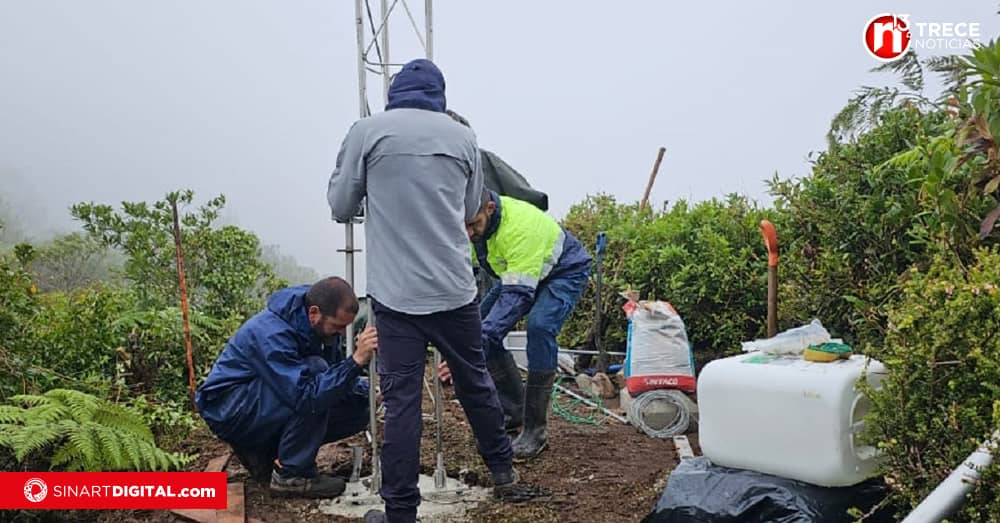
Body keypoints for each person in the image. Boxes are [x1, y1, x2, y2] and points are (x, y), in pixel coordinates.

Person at [327, 58, 516, 523]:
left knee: (402, 401)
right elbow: (473, 205)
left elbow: (340, 204)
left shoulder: (367, 132)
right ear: (440, 96)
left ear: (394, 94)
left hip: (396, 298)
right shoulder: (463, 137)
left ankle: (400, 512)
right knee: (475, 381)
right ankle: (505, 474)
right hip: (454, 290)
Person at [439, 189, 592, 460]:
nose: (469, 233)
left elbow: (517, 298)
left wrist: (468, 356)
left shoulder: (520, 228)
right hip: (520, 273)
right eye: (463, 226)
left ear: (489, 208)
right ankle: (512, 413)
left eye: (473, 225)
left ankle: (535, 429)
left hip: (563, 271)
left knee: (539, 327)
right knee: (480, 328)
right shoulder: (474, 227)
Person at [195, 276, 377, 498]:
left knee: (359, 408)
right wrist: (356, 361)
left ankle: (266, 454)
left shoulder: (322, 330)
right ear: (314, 313)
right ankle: (291, 475)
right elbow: (306, 395)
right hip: (230, 409)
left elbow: (334, 374)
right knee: (315, 376)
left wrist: (368, 390)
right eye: (337, 327)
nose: (341, 333)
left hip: (268, 398)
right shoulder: (270, 333)